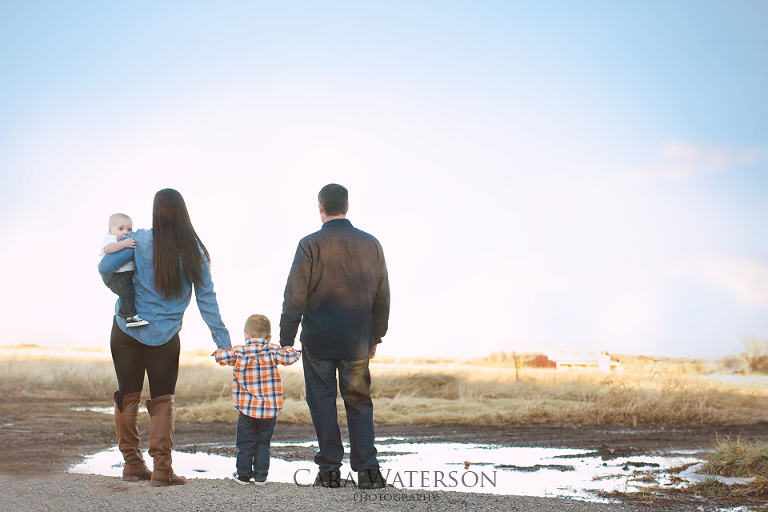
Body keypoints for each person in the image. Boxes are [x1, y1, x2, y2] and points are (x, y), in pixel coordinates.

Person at [98, 189, 231, 486]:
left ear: (155, 211)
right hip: (165, 335)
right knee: (162, 401)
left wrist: (123, 293)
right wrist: (223, 343)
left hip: (125, 330)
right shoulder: (194, 250)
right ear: (183, 212)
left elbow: (105, 267)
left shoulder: (139, 239)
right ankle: (161, 470)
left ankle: (132, 464)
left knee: (126, 395)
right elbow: (206, 299)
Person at [279, 183, 390, 489]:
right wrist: (375, 337)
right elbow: (383, 296)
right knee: (358, 402)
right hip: (356, 340)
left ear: (320, 207)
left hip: (318, 341)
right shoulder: (371, 244)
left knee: (323, 403)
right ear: (347, 206)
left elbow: (295, 295)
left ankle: (329, 472)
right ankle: (368, 472)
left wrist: (287, 337)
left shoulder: (309, 244)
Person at [214, 314, 301, 485]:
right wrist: (290, 347)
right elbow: (292, 357)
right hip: (269, 410)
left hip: (247, 409)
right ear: (269, 338)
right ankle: (261, 476)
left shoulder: (239, 352)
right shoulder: (273, 350)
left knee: (246, 443)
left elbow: (220, 357)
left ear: (246, 334)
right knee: (263, 444)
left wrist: (218, 351)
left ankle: (243, 475)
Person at [99, 213, 149, 328]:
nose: (125, 232)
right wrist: (123, 244)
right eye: (120, 229)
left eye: (129, 229)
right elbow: (108, 249)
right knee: (127, 294)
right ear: (110, 230)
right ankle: (129, 317)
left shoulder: (127, 239)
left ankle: (126, 311)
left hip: (127, 274)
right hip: (117, 276)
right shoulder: (110, 239)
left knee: (131, 293)